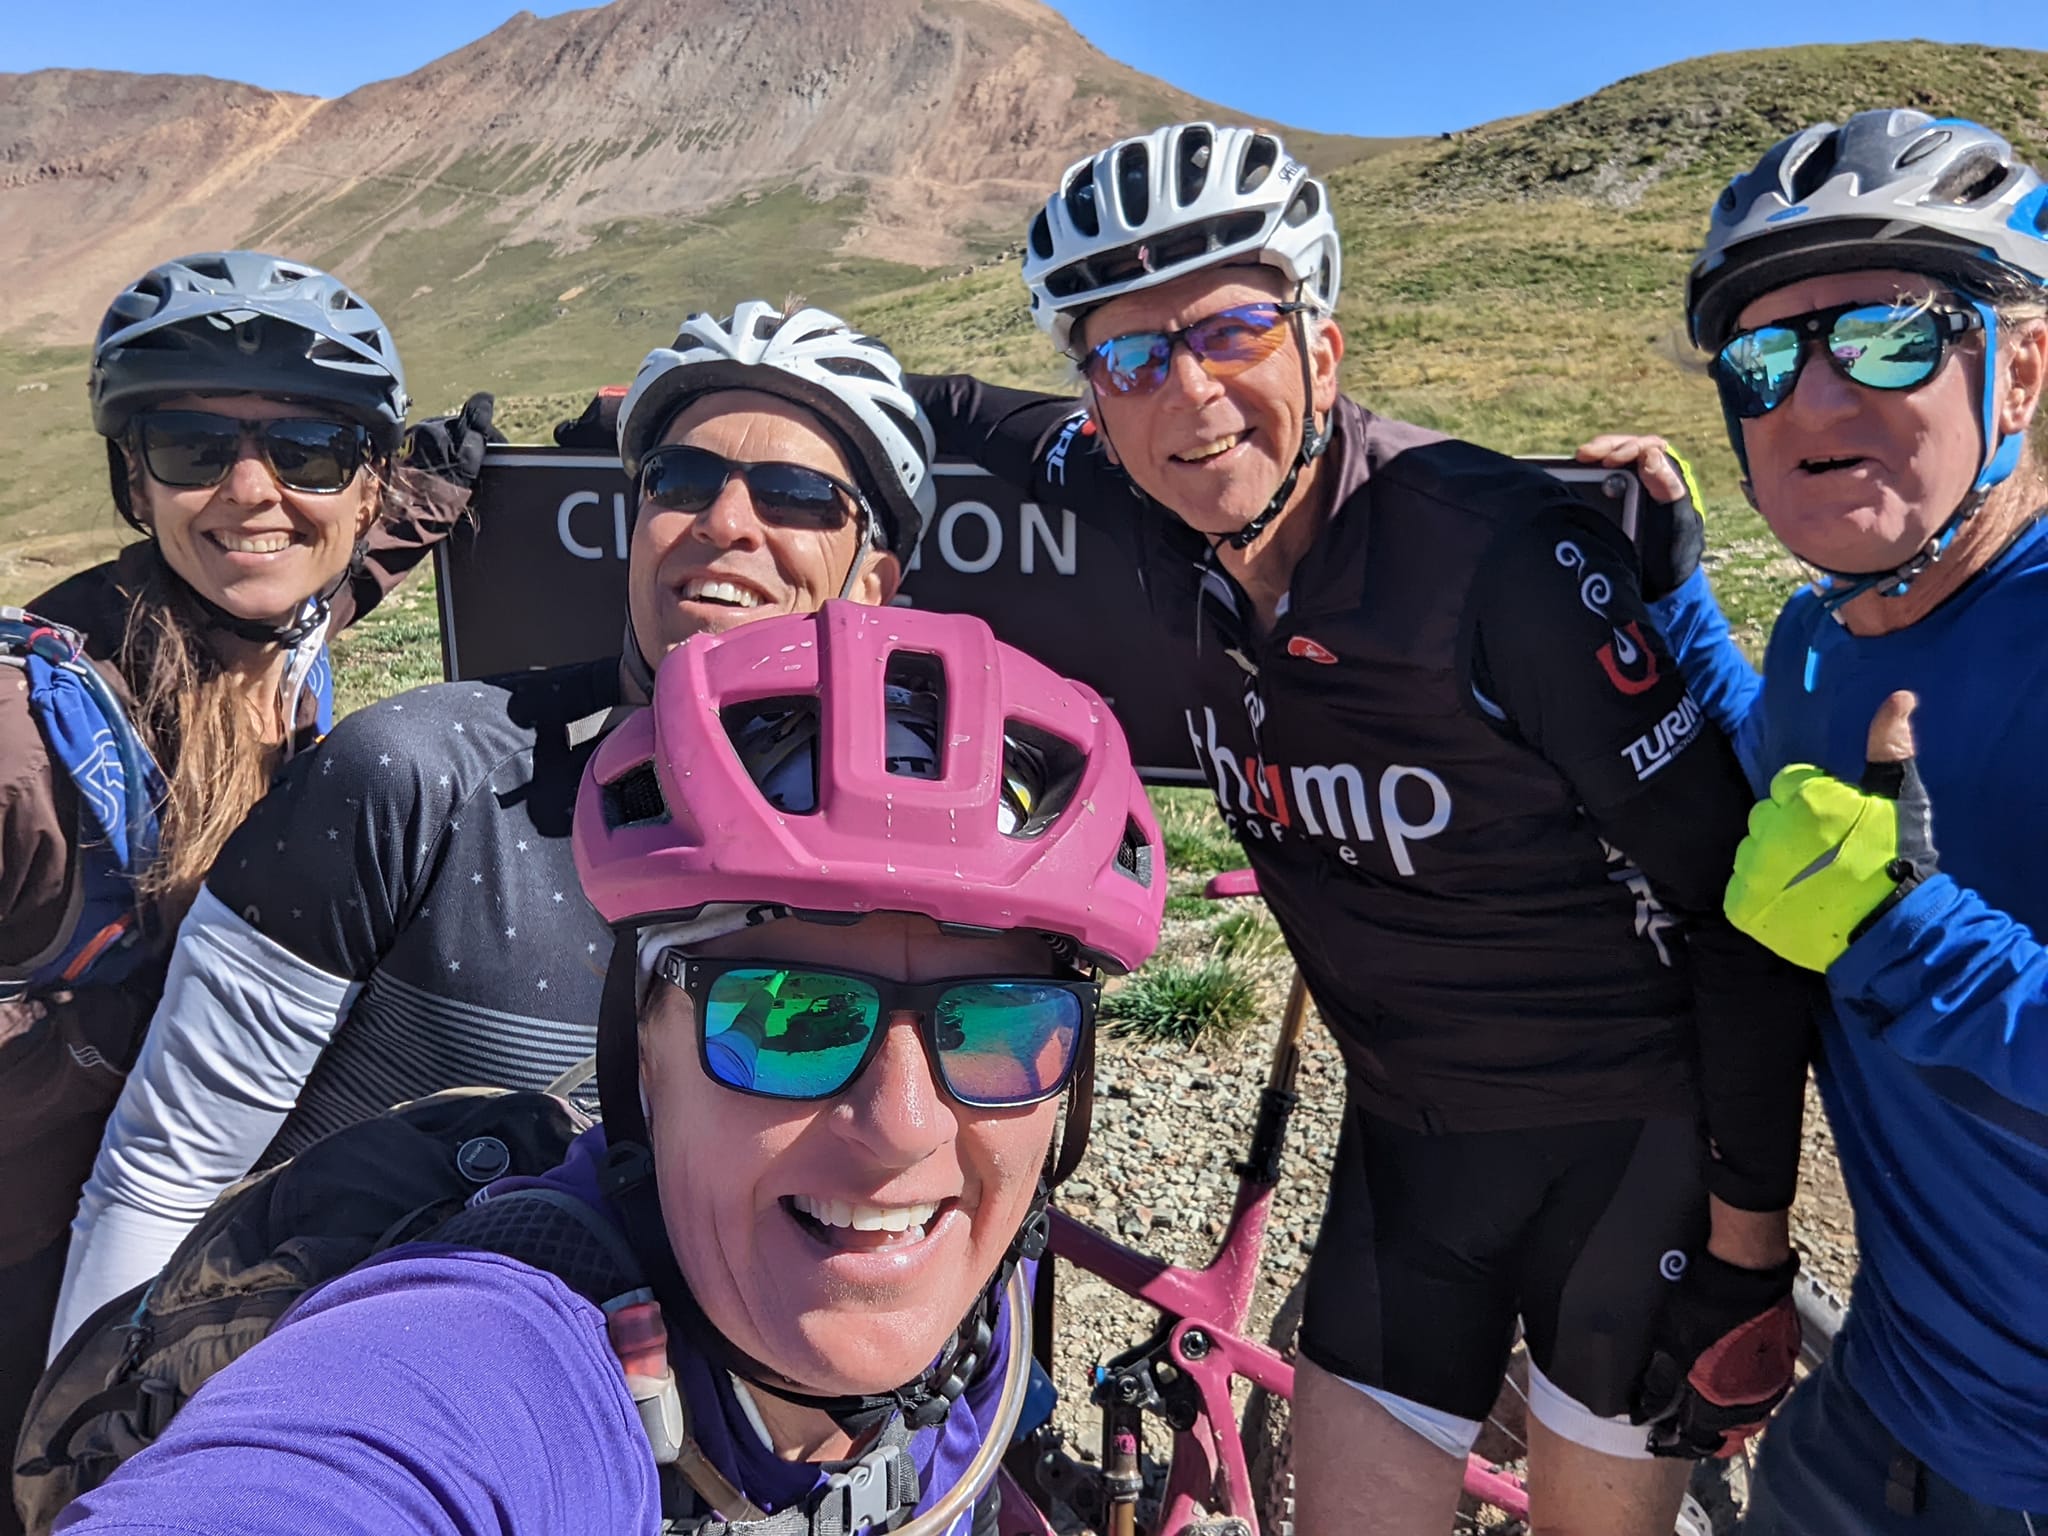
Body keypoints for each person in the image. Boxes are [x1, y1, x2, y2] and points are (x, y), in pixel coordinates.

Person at [909, 122, 1819, 1534]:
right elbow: (972, 415)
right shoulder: (1152, 509)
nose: (1190, 391)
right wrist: (674, 426)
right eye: (1134, 357)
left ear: (1320, 348)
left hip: (1623, 1152)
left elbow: (1731, 905)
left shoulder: (1501, 557)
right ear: (1100, 395)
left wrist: (1751, 1257)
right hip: (1407, 1150)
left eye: (1233, 328)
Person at [47, 599, 1166, 1536]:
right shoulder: (499, 1355)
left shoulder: (984, 1272)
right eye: (786, 1017)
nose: (908, 1126)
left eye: (999, 1023)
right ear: (641, 1049)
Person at [45, 301, 940, 1354]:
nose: (725, 523)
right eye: (680, 481)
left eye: (794, 496)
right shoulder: (418, 776)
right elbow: (165, 1172)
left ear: (872, 580)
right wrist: (87, 1475)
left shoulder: (913, 853)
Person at [1599, 109, 2048, 1534]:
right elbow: (1787, 770)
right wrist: (1675, 598)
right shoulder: (1820, 636)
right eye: (1764, 357)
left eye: (1893, 339)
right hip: (1880, 1418)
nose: (1814, 399)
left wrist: (1902, 933)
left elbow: (1855, 889)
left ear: (2023, 367)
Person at [0, 250, 482, 1520]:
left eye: (312, 450)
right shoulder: (29, 736)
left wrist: (467, 481)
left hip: (191, 1251)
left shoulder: (274, 629)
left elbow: (310, 568)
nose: (252, 493)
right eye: (194, 445)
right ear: (133, 477)